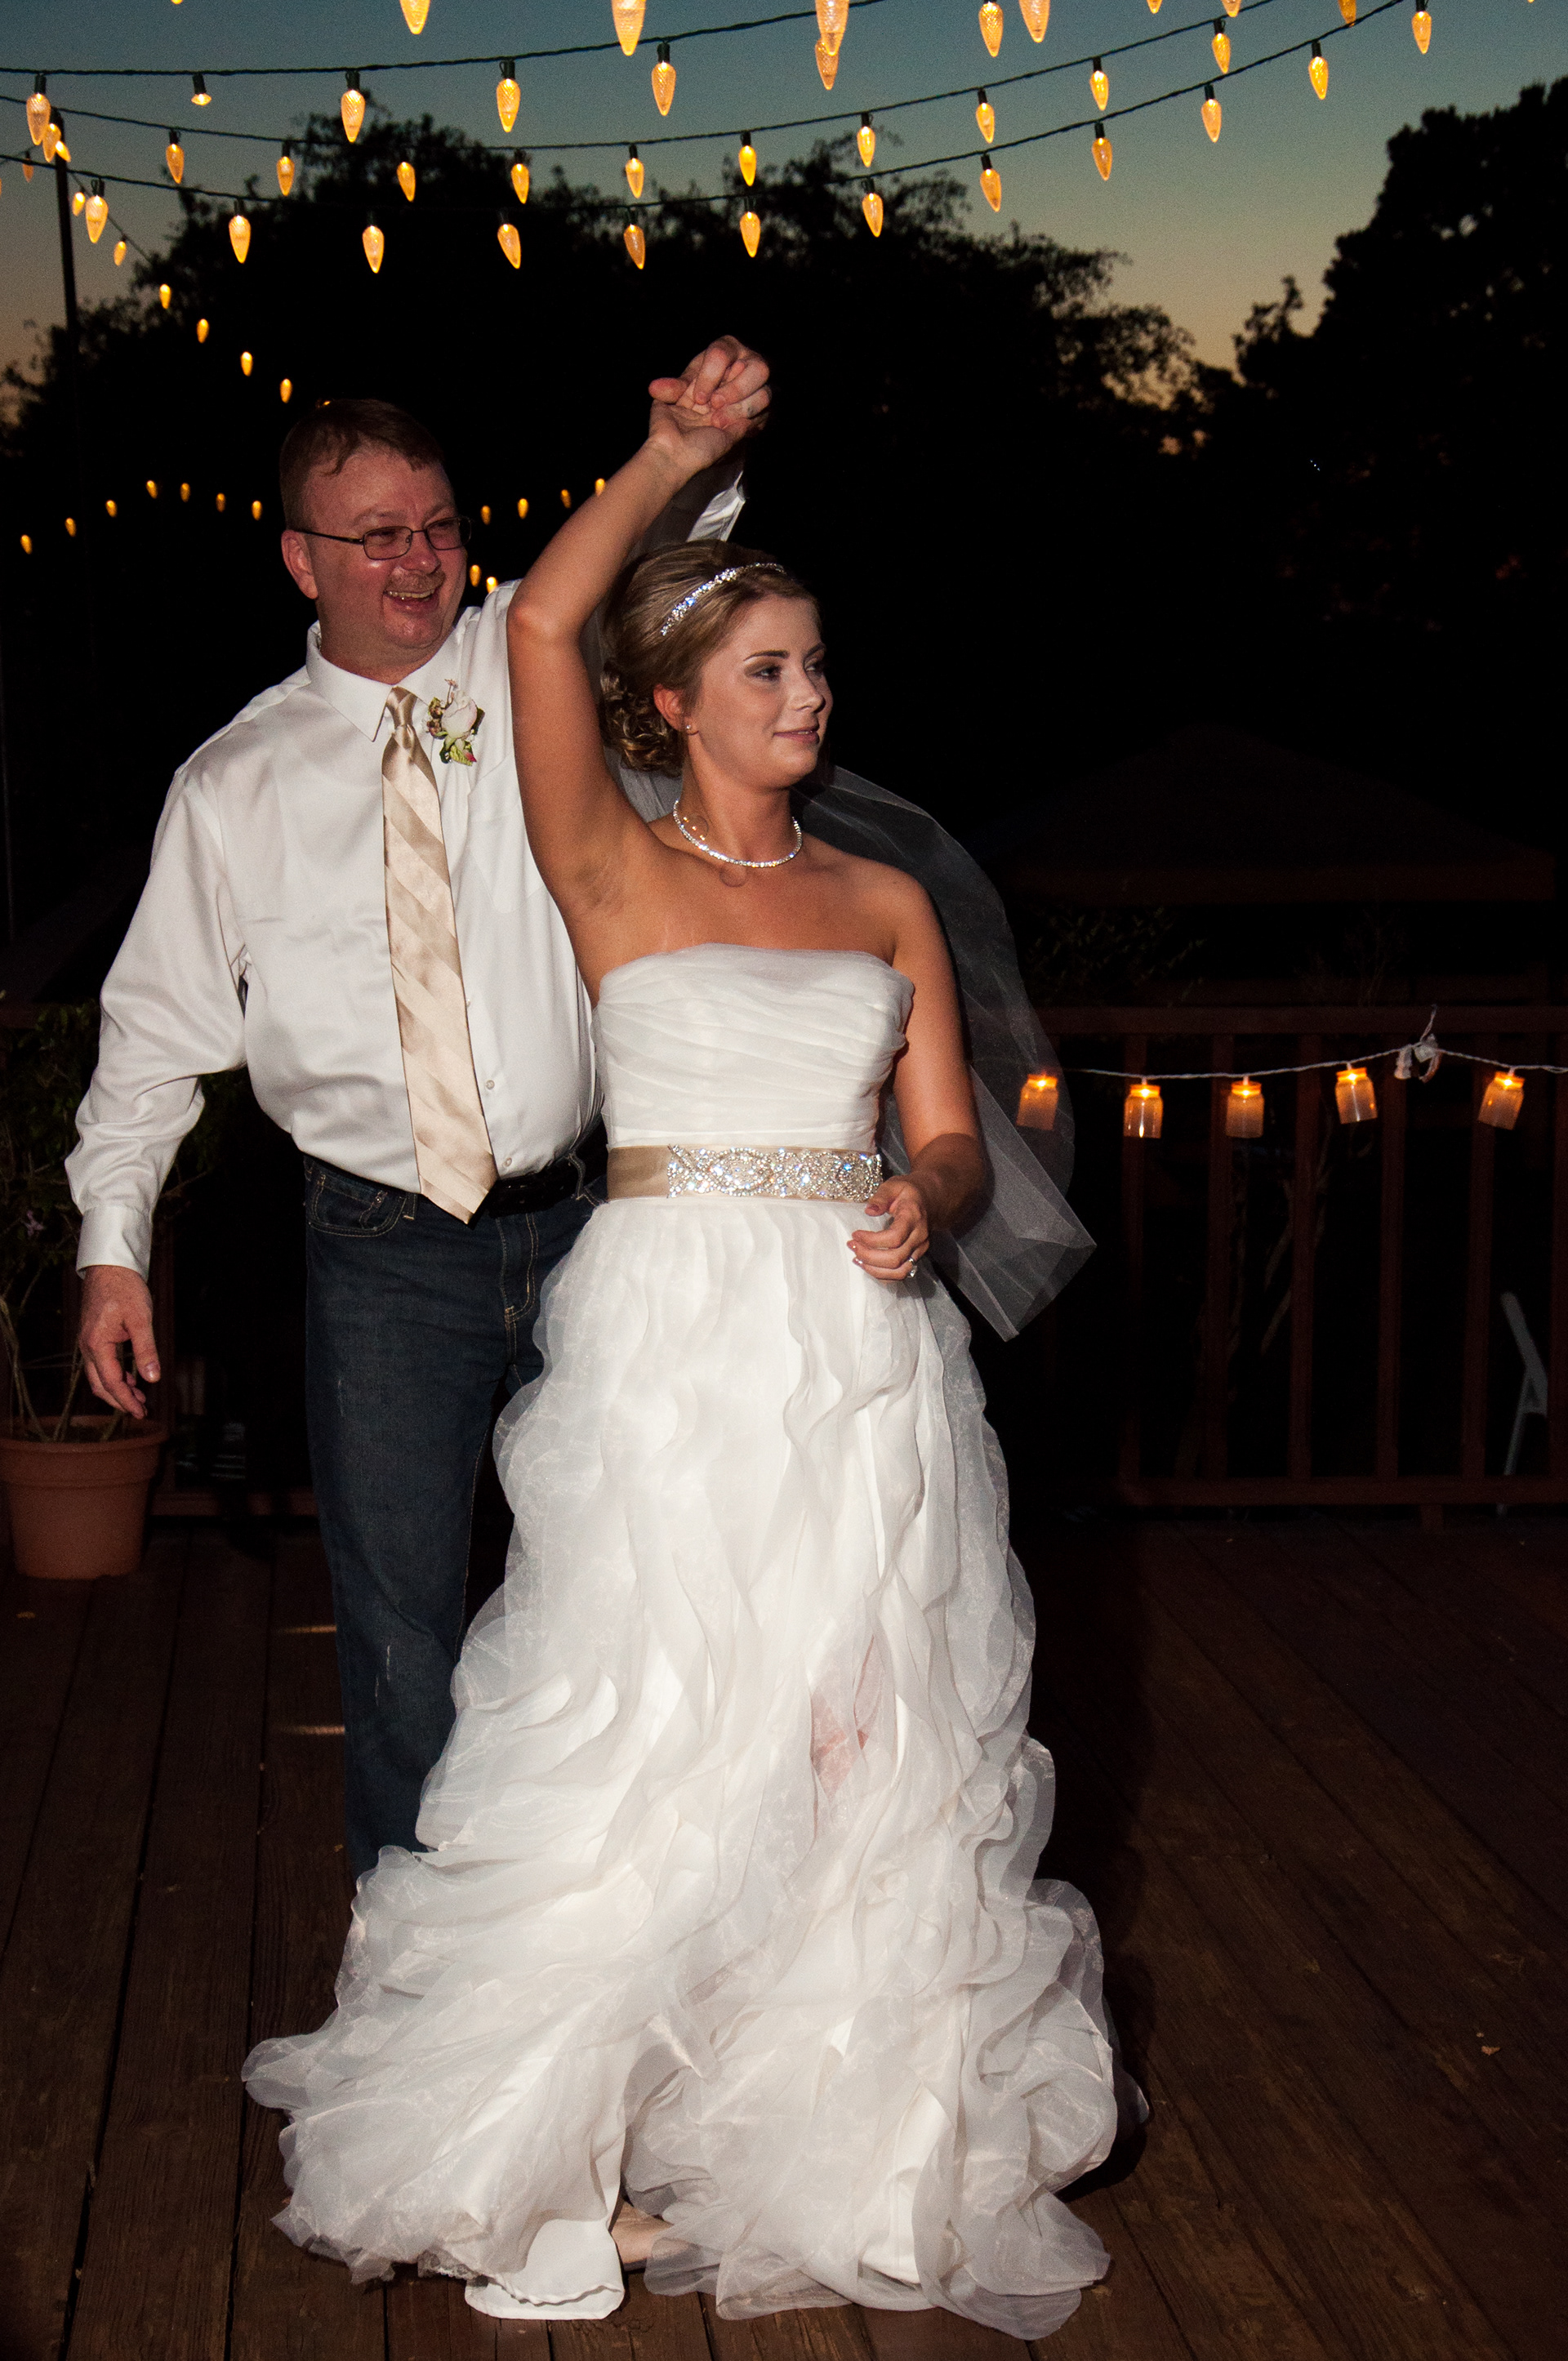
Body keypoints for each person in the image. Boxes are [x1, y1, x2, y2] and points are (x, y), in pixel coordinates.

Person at [243, 359, 1133, 2329]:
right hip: (668, 1342)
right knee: (650, 1719)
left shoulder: (886, 898)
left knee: (863, 1736)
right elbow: (538, 623)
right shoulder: (612, 867)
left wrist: (932, 1202)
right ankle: (553, 2147)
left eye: (817, 669)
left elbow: (950, 1132)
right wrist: (674, 457)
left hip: (861, 1348)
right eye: (767, 672)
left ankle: (830, 2132)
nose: (809, 699)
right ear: (674, 705)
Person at [65, 345, 767, 1878]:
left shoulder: (534, 655)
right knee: (400, 1644)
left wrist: (690, 448)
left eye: (439, 524)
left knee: (637, 1589)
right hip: (382, 1255)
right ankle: (411, 1949)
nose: (419, 559)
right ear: (299, 560)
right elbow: (152, 1039)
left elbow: (672, 567)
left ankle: (607, 1916)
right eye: (376, 534)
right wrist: (112, 1250)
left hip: (593, 1228)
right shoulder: (232, 784)